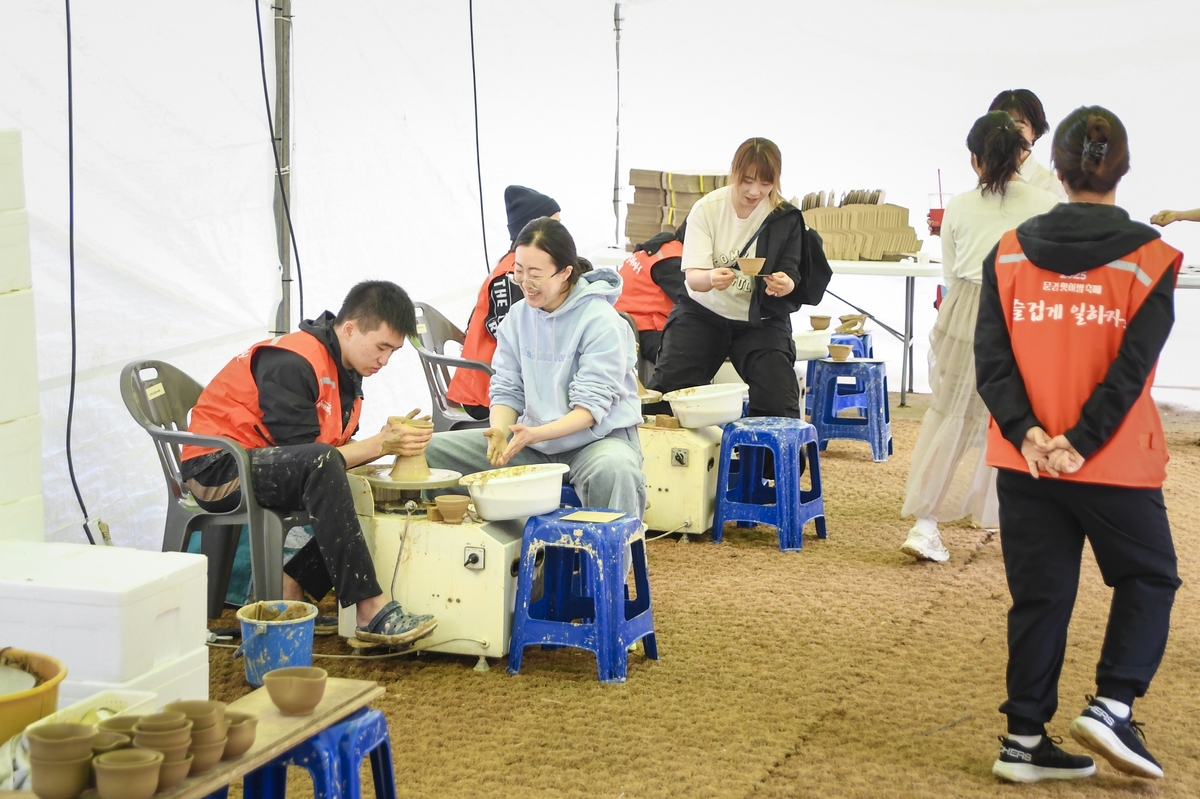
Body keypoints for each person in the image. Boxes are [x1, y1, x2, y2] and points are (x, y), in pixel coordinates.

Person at [976, 106, 1182, 783]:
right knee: (1149, 574)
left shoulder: (1006, 251)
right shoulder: (1151, 259)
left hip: (1027, 461)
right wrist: (1081, 442)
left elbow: (992, 361)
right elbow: (1133, 371)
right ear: (1119, 168)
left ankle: (1023, 740)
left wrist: (1032, 434)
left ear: (1055, 170)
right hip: (1112, 461)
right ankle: (1114, 703)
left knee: (1040, 595)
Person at [180, 281, 439, 646]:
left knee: (369, 483)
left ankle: (292, 582)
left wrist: (382, 443)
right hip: (218, 470)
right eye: (382, 347)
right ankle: (369, 608)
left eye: (393, 352)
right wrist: (378, 444)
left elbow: (325, 454)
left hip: (268, 465)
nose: (384, 360)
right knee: (324, 465)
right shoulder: (294, 360)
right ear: (349, 329)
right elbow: (309, 459)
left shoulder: (347, 372)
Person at [900, 112, 1059, 562]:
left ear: (975, 159)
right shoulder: (1045, 203)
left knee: (951, 411)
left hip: (968, 305)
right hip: (1023, 308)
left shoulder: (960, 205)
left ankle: (926, 522)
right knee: (1020, 414)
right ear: (1021, 156)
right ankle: (1010, 516)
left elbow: (951, 271)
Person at [425, 217, 645, 518]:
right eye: (519, 270)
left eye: (535, 275)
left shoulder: (601, 321)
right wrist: (500, 432)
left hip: (597, 442)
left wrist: (535, 434)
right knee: (429, 453)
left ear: (565, 272)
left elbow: (589, 410)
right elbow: (507, 387)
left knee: (614, 470)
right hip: (532, 441)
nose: (524, 283)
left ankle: (608, 564)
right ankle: (504, 556)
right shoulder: (518, 317)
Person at [646, 137, 815, 419]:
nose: (754, 191)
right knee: (670, 398)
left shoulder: (784, 216)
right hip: (702, 313)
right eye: (747, 180)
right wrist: (711, 277)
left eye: (765, 183)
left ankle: (766, 462)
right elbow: (693, 280)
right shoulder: (708, 208)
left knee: (778, 402)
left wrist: (785, 284)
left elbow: (792, 272)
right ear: (734, 172)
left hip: (760, 320)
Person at [446, 186, 560, 420]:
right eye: (554, 226)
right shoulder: (509, 278)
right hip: (488, 391)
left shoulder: (524, 269)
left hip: (506, 381)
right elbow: (513, 344)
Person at [614, 224, 686, 371]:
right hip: (638, 328)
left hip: (620, 321)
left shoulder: (663, 246)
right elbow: (698, 303)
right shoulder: (671, 262)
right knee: (691, 353)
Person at [989, 89, 1067, 200]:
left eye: (1019, 128)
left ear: (1035, 132)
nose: (1008, 134)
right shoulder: (988, 179)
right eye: (1001, 127)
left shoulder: (1050, 186)